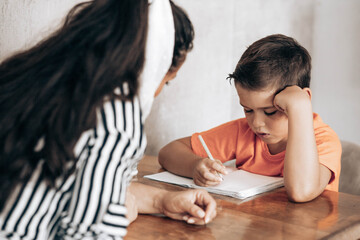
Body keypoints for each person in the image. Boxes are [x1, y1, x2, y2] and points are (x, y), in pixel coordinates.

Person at [0, 0, 217, 239]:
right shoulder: (118, 117)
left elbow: (86, 184)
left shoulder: (37, 75)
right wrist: (120, 215)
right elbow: (89, 234)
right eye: (165, 81)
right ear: (153, 63)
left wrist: (161, 200)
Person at [159, 34, 342, 203]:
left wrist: (300, 108)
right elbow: (168, 152)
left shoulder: (324, 141)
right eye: (248, 110)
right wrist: (195, 166)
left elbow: (301, 192)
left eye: (270, 111)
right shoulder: (243, 132)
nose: (256, 123)